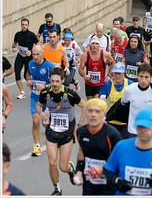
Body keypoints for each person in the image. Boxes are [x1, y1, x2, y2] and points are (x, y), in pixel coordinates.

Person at [37, 67, 86, 196]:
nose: (54, 84)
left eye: (57, 81)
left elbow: (85, 105)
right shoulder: (45, 93)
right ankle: (57, 189)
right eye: (52, 81)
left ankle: (70, 169)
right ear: (49, 80)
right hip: (51, 132)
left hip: (67, 133)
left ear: (63, 80)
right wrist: (41, 113)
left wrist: (80, 124)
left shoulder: (70, 94)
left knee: (62, 167)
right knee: (52, 163)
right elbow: (38, 105)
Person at [104, 108, 152, 195]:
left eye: (147, 126)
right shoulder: (121, 147)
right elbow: (107, 172)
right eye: (140, 126)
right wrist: (117, 182)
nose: (143, 130)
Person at [73, 98, 123, 195]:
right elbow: (81, 152)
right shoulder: (81, 132)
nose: (93, 114)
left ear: (104, 114)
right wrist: (79, 171)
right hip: (89, 184)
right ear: (85, 112)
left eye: (97, 111)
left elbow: (122, 160)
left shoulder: (112, 134)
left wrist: (103, 170)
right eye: (90, 111)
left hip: (109, 186)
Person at [118, 63, 152, 139]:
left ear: (151, 77)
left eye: (146, 77)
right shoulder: (129, 90)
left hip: (151, 131)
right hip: (134, 131)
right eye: (141, 76)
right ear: (137, 75)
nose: (143, 80)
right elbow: (122, 106)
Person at [27, 44, 56, 157]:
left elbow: (57, 82)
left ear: (43, 54)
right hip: (35, 97)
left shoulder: (50, 66)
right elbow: (29, 76)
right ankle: (36, 146)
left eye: (37, 54)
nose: (35, 57)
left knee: (46, 123)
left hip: (48, 99)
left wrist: (46, 87)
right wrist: (29, 82)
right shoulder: (30, 64)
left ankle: (50, 138)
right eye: (33, 54)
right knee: (35, 120)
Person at [99, 62, 133, 139]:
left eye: (119, 73)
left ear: (124, 73)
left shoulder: (130, 84)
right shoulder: (108, 84)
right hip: (111, 121)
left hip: (125, 122)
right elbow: (101, 102)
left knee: (123, 146)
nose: (117, 76)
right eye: (115, 73)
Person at [12, 18, 39, 99]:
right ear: (21, 25)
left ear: (28, 25)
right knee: (17, 73)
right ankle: (22, 92)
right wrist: (13, 48)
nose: (24, 26)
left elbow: (38, 44)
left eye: (25, 25)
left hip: (28, 58)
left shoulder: (31, 35)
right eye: (23, 24)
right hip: (20, 57)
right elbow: (14, 43)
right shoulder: (18, 34)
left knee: (26, 76)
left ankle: (33, 86)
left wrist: (31, 52)